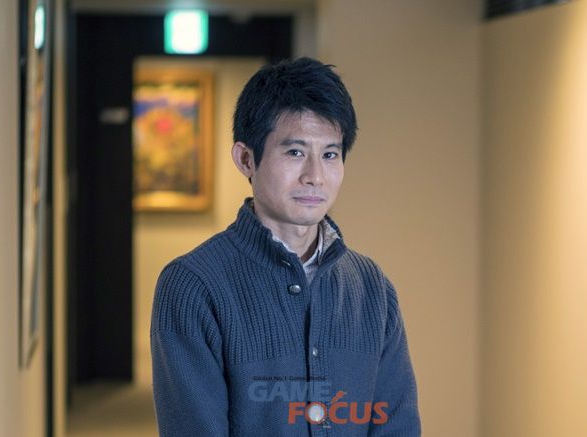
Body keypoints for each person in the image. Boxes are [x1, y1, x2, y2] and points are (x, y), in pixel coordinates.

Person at [151, 57, 421, 436]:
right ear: (246, 159)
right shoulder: (192, 286)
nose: (315, 176)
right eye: (295, 152)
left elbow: (398, 427)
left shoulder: (372, 287)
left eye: (330, 154)